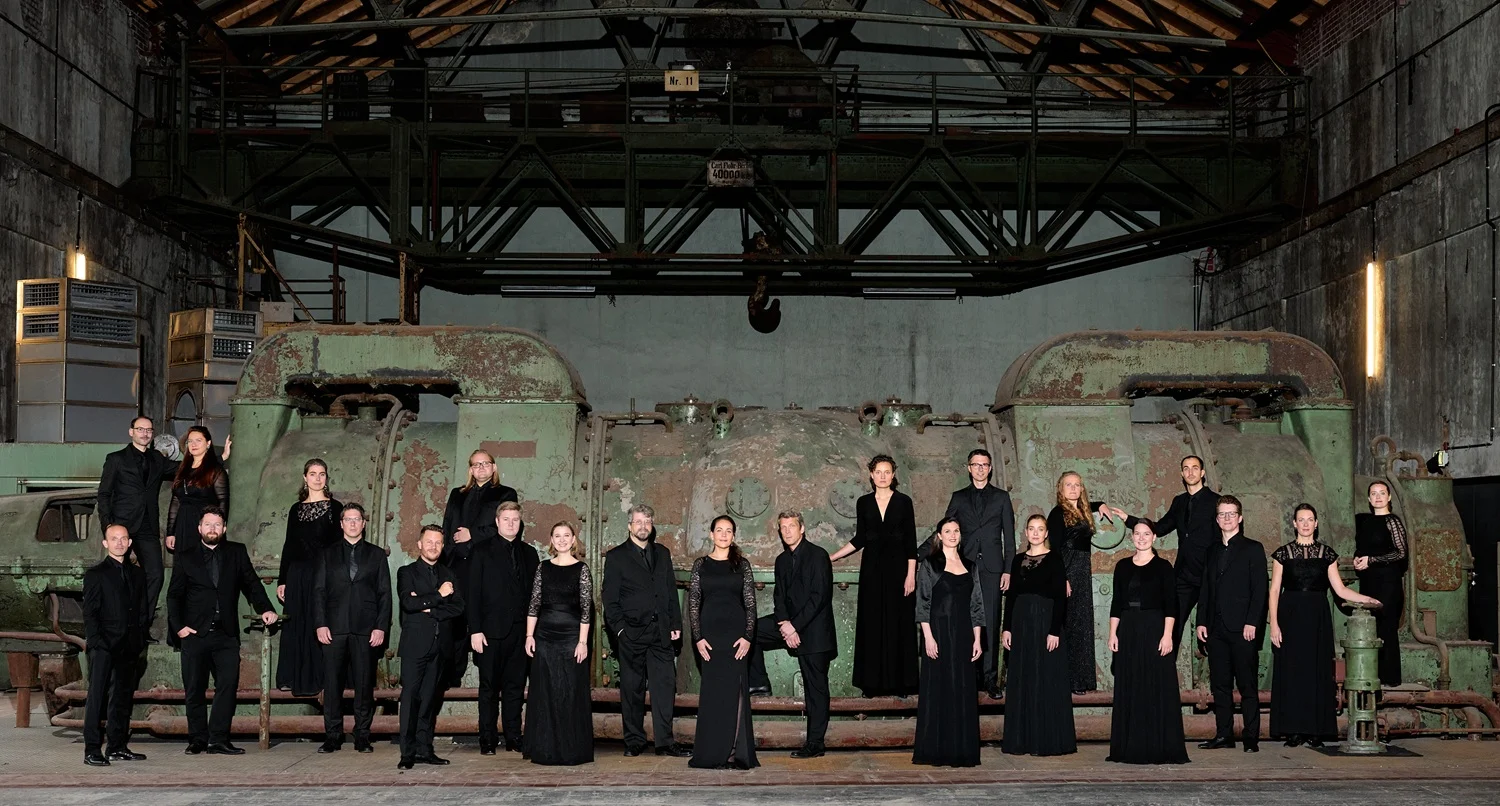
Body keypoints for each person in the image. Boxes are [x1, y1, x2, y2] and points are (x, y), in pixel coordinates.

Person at [166, 506, 278, 755]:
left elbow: (252, 584)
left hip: (226, 633)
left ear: (224, 528)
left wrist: (266, 609)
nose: (212, 529)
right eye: (208, 524)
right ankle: (197, 738)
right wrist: (179, 627)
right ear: (199, 528)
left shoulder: (236, 552)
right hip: (194, 633)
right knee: (194, 688)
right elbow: (174, 595)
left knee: (227, 687)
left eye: (217, 525)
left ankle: (218, 739)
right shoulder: (185, 555)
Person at [1269, 504, 1382, 748]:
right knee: (1291, 673)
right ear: (1295, 524)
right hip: (1289, 615)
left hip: (1317, 617)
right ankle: (1293, 731)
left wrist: (1367, 599)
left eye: (1310, 519)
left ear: (1316, 523)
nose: (1306, 524)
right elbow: (1275, 590)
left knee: (1317, 673)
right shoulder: (1282, 554)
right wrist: (1274, 625)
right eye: (1301, 519)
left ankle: (1315, 731)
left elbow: (1340, 590)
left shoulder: (1327, 554)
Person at [748, 510, 837, 759]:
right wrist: (785, 623)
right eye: (783, 527)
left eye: (791, 526)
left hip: (815, 632)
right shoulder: (781, 560)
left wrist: (793, 627)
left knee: (815, 689)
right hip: (790, 625)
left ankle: (815, 744)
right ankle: (759, 683)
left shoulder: (818, 556)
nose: (787, 531)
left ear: (802, 528)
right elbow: (780, 597)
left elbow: (819, 598)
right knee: (751, 630)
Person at [602, 504, 689, 757]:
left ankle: (665, 742)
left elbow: (670, 592)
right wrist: (620, 631)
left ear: (652, 526)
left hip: (660, 632)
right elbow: (610, 599)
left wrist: (674, 625)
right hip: (632, 634)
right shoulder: (617, 556)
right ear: (630, 526)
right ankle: (634, 741)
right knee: (632, 689)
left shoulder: (662, 553)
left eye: (647, 521)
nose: (643, 526)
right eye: (638, 521)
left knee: (664, 688)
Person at [828, 455, 918, 698]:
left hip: (899, 571)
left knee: (899, 626)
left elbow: (911, 542)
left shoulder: (904, 502)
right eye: (878, 471)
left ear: (893, 475)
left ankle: (901, 685)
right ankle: (871, 685)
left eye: (887, 472)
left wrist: (911, 576)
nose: (883, 476)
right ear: (871, 474)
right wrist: (832, 557)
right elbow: (860, 539)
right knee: (872, 626)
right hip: (872, 571)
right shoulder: (864, 502)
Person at [1106, 518, 1188, 765]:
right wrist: (1112, 633)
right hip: (1128, 630)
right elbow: (1116, 603)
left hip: (1154, 629)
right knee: (1130, 685)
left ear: (1154, 537)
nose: (1141, 538)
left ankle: (1158, 746)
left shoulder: (1164, 567)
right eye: (1137, 534)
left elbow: (1172, 605)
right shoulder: (1121, 566)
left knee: (1155, 685)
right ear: (1132, 537)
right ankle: (1128, 747)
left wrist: (1167, 635)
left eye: (1146, 534)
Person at [313, 503, 392, 754]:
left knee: (364, 685)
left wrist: (380, 627)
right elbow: (319, 592)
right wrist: (320, 624)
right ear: (341, 524)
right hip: (333, 628)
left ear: (364, 523)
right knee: (333, 685)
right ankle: (333, 736)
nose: (353, 523)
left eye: (357, 519)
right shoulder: (327, 554)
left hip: (365, 630)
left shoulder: (377, 555)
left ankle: (362, 736)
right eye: (348, 519)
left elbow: (385, 595)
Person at [1126, 456, 1219, 658]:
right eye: (1186, 468)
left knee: (1213, 631)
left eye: (1195, 468)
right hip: (1185, 575)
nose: (1191, 472)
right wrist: (1129, 520)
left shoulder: (1215, 502)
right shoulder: (1180, 502)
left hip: (1210, 575)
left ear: (1202, 473)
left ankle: (1219, 683)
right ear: (1182, 474)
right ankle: (1165, 674)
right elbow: (1160, 527)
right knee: (1172, 626)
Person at [1195, 495, 1267, 753]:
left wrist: (1252, 623)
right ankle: (1224, 735)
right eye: (1222, 514)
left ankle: (1251, 738)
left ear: (1240, 517)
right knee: (1220, 687)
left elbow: (1260, 591)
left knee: (1247, 686)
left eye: (1231, 513)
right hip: (1216, 629)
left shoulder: (1253, 548)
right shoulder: (1212, 551)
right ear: (1217, 519)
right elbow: (1205, 588)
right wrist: (1200, 621)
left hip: (1243, 629)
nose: (1227, 518)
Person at [469, 501, 541, 754]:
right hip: (489, 633)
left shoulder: (530, 553)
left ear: (520, 523)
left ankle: (513, 737)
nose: (511, 524)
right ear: (497, 522)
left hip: (521, 633)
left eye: (515, 520)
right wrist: (475, 630)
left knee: (514, 688)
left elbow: (535, 596)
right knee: (488, 689)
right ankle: (487, 740)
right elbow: (472, 594)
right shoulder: (480, 551)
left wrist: (533, 633)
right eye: (506, 519)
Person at [942, 449, 1015, 698]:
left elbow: (1010, 539)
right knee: (968, 621)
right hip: (965, 567)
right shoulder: (959, 497)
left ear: (990, 468)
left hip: (993, 569)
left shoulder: (1002, 497)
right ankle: (968, 678)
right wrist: (922, 554)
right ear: (968, 468)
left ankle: (990, 680)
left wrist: (1008, 570)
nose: (981, 468)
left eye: (985, 465)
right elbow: (944, 529)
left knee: (991, 622)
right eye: (976, 464)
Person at [442, 449, 519, 685]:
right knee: (456, 619)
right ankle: (452, 678)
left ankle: (485, 674)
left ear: (494, 468)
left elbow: (505, 527)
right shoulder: (457, 494)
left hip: (486, 563)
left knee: (481, 616)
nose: (481, 468)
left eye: (486, 463)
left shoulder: (505, 493)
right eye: (476, 465)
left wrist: (472, 535)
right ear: (470, 469)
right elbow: (447, 526)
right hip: (458, 565)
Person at [912, 518, 984, 768]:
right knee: (939, 690)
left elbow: (977, 605)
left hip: (964, 635)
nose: (952, 535)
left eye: (956, 531)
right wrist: (928, 638)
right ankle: (936, 750)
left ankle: (962, 751)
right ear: (939, 536)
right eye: (947, 531)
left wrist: (978, 639)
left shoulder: (971, 566)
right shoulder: (929, 564)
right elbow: (923, 604)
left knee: (962, 690)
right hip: (939, 635)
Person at [1001, 514, 1075, 757]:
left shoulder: (1055, 559)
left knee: (1045, 678)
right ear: (1025, 533)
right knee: (1023, 677)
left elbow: (1059, 597)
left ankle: (1045, 738)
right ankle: (1021, 740)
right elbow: (1011, 597)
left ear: (1046, 534)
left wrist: (1054, 630)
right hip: (1021, 624)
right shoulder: (1017, 560)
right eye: (1031, 528)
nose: (1035, 533)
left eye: (1040, 529)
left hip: (1045, 623)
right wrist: (1007, 627)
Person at [688, 515, 758, 770]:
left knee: (736, 694)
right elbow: (694, 603)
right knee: (713, 695)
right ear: (711, 534)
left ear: (733, 536)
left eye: (729, 531)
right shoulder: (701, 565)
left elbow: (750, 604)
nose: (724, 535)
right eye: (719, 530)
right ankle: (711, 753)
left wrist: (748, 637)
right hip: (709, 639)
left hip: (736, 638)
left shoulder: (742, 565)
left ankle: (734, 754)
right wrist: (697, 638)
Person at [97, 416, 179, 630]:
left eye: (149, 430)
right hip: (121, 526)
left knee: (155, 575)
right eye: (140, 429)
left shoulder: (157, 459)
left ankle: (141, 626)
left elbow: (186, 468)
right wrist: (108, 526)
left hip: (147, 527)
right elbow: (104, 494)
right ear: (131, 431)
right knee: (116, 578)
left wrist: (218, 457)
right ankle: (115, 625)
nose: (145, 433)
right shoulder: (115, 459)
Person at [523, 521, 595, 766]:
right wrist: (529, 636)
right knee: (546, 692)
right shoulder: (542, 568)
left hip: (571, 639)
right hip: (544, 637)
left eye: (567, 535)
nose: (562, 540)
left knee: (570, 692)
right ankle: (545, 749)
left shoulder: (582, 569)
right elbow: (534, 605)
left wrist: (583, 642)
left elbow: (587, 610)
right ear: (551, 541)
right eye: (557, 536)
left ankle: (571, 750)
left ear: (573, 539)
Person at [1047, 471, 1125, 693]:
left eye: (1077, 485)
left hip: (1082, 569)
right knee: (1069, 624)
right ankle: (1068, 680)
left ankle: (1080, 680)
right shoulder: (1057, 513)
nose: (1073, 488)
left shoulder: (1081, 510)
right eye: (1068, 485)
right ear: (1060, 489)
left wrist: (1100, 504)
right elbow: (1055, 550)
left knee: (1081, 624)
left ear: (1081, 489)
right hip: (1068, 570)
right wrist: (1063, 579)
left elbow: (1090, 506)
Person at [81, 524, 150, 767]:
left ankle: (117, 747)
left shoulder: (138, 574)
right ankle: (91, 749)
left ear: (130, 542)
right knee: (97, 697)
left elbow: (142, 610)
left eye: (123, 539)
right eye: (114, 539)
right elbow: (90, 613)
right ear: (105, 543)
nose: (119, 543)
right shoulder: (95, 574)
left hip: (129, 646)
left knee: (122, 697)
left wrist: (140, 639)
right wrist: (97, 642)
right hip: (104, 646)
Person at [397, 524, 465, 769]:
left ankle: (425, 750)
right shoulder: (407, 572)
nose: (433, 546)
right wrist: (439, 595)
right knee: (410, 700)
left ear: (443, 546)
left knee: (428, 702)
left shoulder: (449, 574)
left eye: (438, 542)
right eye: (429, 541)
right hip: (415, 647)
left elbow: (458, 607)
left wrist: (427, 606)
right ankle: (407, 754)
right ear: (419, 544)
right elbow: (408, 603)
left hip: (440, 648)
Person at [276, 459, 342, 696]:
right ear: (305, 477)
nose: (317, 478)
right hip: (297, 574)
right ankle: (292, 678)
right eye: (312, 474)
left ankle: (319, 679)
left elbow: (337, 548)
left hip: (322, 574)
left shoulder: (335, 508)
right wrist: (282, 580)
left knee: (319, 623)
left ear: (326, 478)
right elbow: (288, 546)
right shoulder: (296, 509)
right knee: (296, 625)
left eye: (322, 474)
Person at [1354, 481, 1408, 687]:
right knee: (1371, 629)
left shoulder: (1393, 521)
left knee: (1386, 629)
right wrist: (1358, 559)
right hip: (1368, 582)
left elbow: (1401, 554)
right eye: (1373, 494)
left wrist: (1372, 560)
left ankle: (1389, 680)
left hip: (1388, 582)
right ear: (1368, 499)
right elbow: (1363, 548)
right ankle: (1371, 678)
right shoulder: (1365, 522)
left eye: (1382, 493)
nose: (1378, 497)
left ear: (1389, 497)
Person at [164, 426, 229, 554]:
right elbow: (176, 501)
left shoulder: (216, 471)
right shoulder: (182, 469)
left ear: (208, 443)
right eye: (190, 441)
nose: (193, 444)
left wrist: (216, 528)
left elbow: (223, 502)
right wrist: (170, 532)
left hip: (205, 525)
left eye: (198, 440)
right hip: (183, 525)